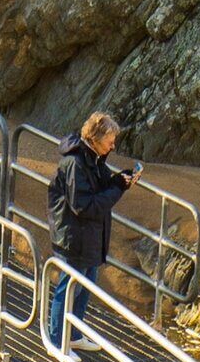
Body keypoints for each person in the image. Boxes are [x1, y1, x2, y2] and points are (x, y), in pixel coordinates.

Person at [43, 112, 134, 349]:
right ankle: (56, 341)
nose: (113, 146)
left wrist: (118, 181)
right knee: (69, 287)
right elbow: (83, 206)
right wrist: (117, 191)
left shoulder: (92, 158)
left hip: (87, 235)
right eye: (110, 141)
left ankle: (72, 335)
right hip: (73, 236)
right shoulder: (75, 162)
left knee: (86, 284)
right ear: (95, 138)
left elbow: (99, 187)